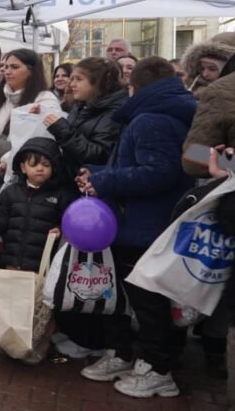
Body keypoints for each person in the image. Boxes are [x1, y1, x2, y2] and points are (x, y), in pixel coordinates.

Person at [75, 58, 197, 397]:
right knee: (138, 298)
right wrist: (98, 172)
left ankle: (157, 369)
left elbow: (159, 173)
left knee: (147, 301)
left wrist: (104, 180)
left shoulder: (150, 120)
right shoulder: (180, 112)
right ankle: (130, 355)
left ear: (134, 88)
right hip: (153, 223)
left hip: (144, 225)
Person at [0, 137, 70, 363]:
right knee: (14, 304)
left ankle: (40, 345)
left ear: (54, 168)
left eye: (46, 164)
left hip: (43, 264)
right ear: (22, 167)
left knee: (40, 309)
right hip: (13, 259)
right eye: (34, 163)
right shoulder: (10, 193)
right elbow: (2, 219)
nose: (40, 168)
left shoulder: (60, 196)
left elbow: (67, 222)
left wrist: (60, 230)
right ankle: (13, 344)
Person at [43, 57, 126, 182]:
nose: (72, 84)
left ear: (98, 82)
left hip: (88, 186)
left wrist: (62, 130)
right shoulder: (82, 105)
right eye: (72, 79)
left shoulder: (114, 113)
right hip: (70, 180)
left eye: (79, 79)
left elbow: (98, 155)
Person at [183, 52, 235, 178]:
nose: (205, 74)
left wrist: (228, 161)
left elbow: (194, 155)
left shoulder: (220, 90)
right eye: (201, 69)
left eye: (212, 68)